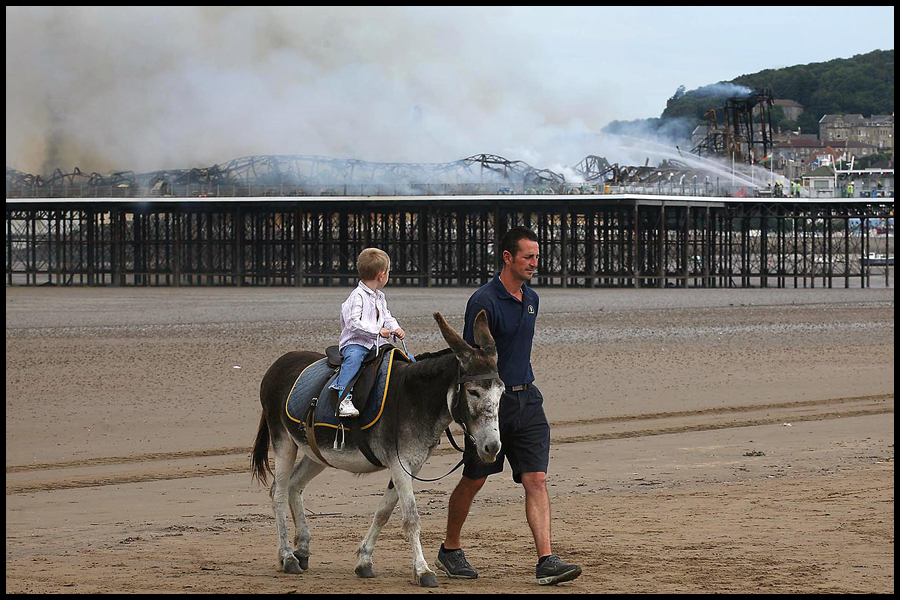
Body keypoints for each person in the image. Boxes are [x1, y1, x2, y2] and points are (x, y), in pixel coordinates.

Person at [435, 226, 582, 586]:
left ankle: (546, 560)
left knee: (536, 479)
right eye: (528, 257)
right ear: (508, 258)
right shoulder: (483, 301)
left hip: (528, 398)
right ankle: (450, 549)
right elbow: (470, 361)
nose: (535, 262)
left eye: (536, 256)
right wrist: (471, 414)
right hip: (492, 405)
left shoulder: (531, 298)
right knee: (474, 479)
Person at [329, 248, 405, 418]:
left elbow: (387, 317)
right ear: (381, 275)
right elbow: (353, 323)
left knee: (405, 358)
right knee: (354, 360)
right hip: (355, 343)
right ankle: (342, 397)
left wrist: (395, 329)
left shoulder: (380, 297)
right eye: (389, 272)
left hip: (377, 344)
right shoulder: (356, 296)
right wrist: (378, 331)